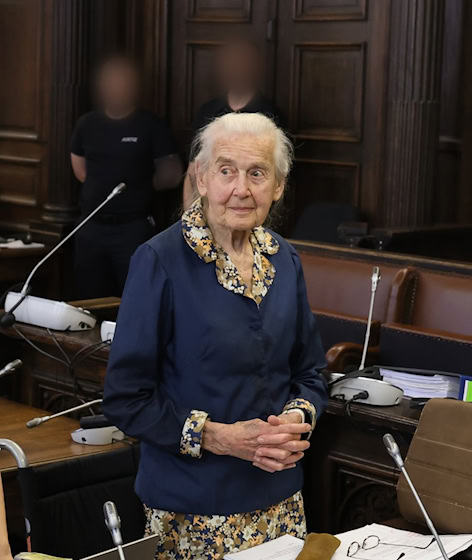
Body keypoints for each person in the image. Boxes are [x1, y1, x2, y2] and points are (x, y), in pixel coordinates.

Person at [102, 112, 328, 559]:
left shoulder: (286, 259)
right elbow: (126, 399)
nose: (241, 189)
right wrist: (222, 438)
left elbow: (312, 372)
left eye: (257, 173)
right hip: (192, 511)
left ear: (278, 186)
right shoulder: (158, 260)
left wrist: (297, 419)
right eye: (227, 171)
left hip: (281, 503)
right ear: (201, 179)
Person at [69, 55, 183, 299]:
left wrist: (139, 186)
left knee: (135, 298)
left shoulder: (150, 124)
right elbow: (80, 170)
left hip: (133, 228)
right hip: (91, 226)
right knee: (88, 299)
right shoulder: (86, 124)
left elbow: (172, 174)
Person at [184, 39, 281, 207]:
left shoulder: (270, 114)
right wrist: (189, 219)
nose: (237, 68)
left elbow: (272, 176)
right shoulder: (208, 110)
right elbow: (193, 171)